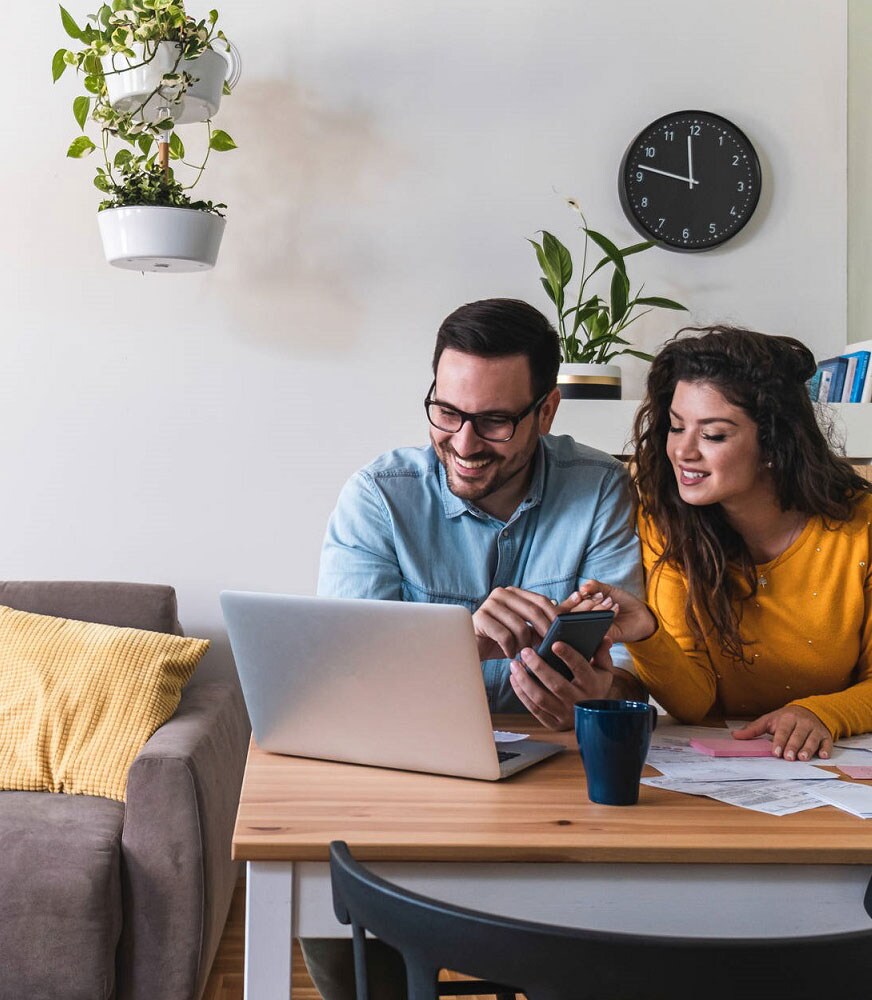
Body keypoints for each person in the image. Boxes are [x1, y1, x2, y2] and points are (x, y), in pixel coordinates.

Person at [303, 297, 646, 1000]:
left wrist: (598, 697)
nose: (463, 442)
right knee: (343, 940)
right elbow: (338, 672)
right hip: (402, 774)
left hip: (555, 782)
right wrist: (458, 640)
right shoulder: (379, 495)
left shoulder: (602, 489)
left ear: (547, 412)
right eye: (446, 412)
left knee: (612, 935)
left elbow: (634, 672)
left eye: (493, 420)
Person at [585, 325, 872, 764]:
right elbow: (694, 703)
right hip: (719, 771)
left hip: (836, 763)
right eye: (677, 428)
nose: (683, 451)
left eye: (713, 435)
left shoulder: (861, 527)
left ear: (774, 442)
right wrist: (646, 634)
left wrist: (822, 712)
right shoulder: (666, 522)